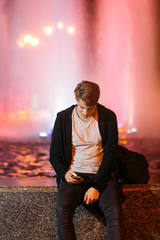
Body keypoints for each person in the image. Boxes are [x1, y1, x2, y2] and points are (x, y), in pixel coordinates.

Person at [50, 81, 123, 240]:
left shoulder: (108, 116)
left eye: (90, 108)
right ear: (76, 99)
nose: (85, 112)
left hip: (101, 175)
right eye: (81, 107)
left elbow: (111, 153)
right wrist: (65, 174)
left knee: (115, 212)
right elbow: (54, 155)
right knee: (62, 211)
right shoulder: (63, 118)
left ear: (97, 101)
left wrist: (97, 186)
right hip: (74, 175)